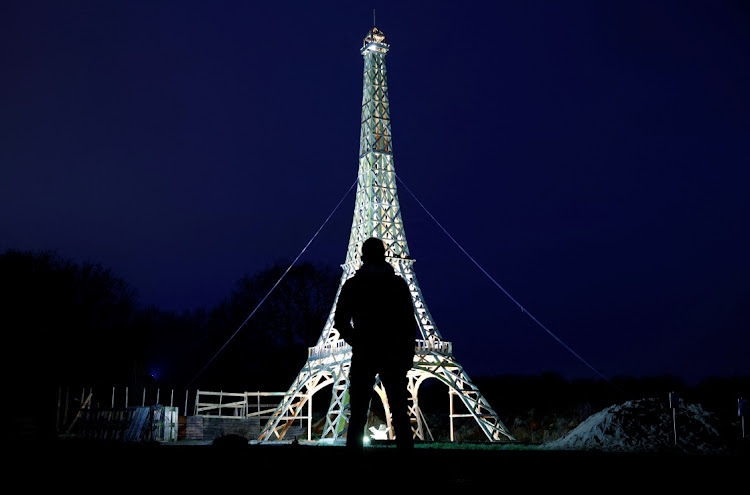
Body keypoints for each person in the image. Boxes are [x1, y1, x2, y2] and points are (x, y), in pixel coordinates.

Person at [334, 237, 417, 454]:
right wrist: (407, 353)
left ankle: (354, 458)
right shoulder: (397, 285)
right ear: (384, 255)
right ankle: (407, 459)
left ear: (362, 256)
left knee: (358, 413)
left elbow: (340, 320)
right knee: (399, 411)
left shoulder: (353, 285)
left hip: (365, 353)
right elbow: (409, 322)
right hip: (393, 352)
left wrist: (357, 341)